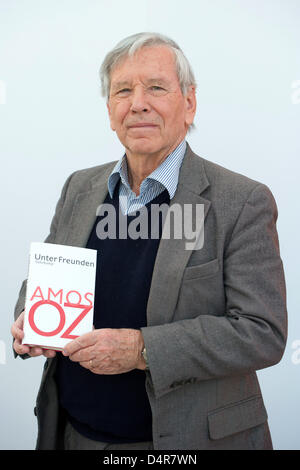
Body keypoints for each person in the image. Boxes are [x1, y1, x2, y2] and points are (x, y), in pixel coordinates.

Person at [11, 32, 287, 450]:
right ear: (110, 110)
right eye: (123, 90)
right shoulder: (80, 187)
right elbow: (46, 277)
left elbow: (262, 331)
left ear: (189, 102)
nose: (137, 102)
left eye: (156, 87)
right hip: (73, 434)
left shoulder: (242, 201)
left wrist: (142, 350)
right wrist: (29, 316)